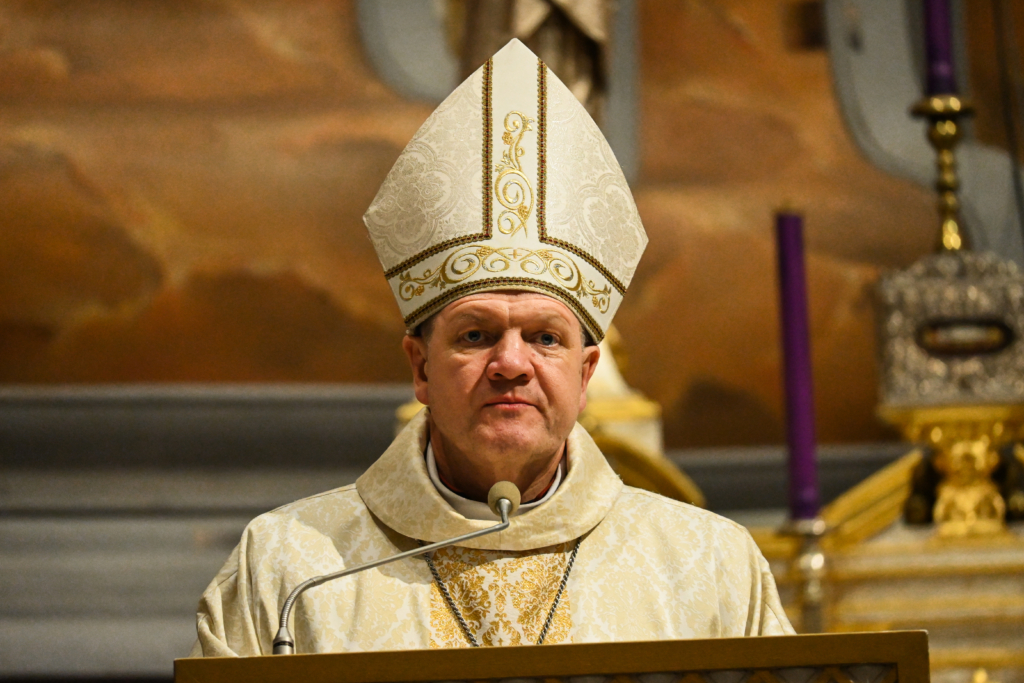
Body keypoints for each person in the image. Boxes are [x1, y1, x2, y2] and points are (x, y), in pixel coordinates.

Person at [190, 39, 793, 657]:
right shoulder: (290, 570)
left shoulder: (710, 567)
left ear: (586, 374)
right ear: (420, 368)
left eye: (545, 338)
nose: (510, 364)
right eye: (475, 336)